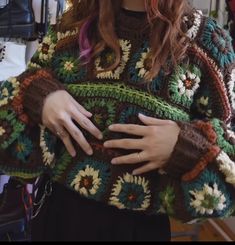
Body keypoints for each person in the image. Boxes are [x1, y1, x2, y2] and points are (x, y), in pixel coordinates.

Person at [0, 0, 235, 241]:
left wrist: (185, 146)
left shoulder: (208, 43)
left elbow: (230, 154)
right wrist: (39, 94)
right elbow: (17, 95)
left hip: (140, 227)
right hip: (58, 212)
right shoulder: (72, 25)